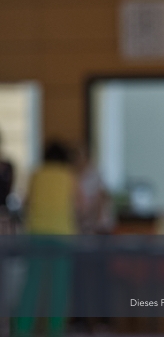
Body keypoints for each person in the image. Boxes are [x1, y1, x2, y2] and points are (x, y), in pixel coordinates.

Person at [15, 140, 81, 337]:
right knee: (58, 287)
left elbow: (25, 202)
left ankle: (21, 330)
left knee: (32, 284)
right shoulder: (69, 176)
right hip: (61, 235)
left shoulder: (36, 174)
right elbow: (80, 205)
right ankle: (55, 330)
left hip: (36, 234)